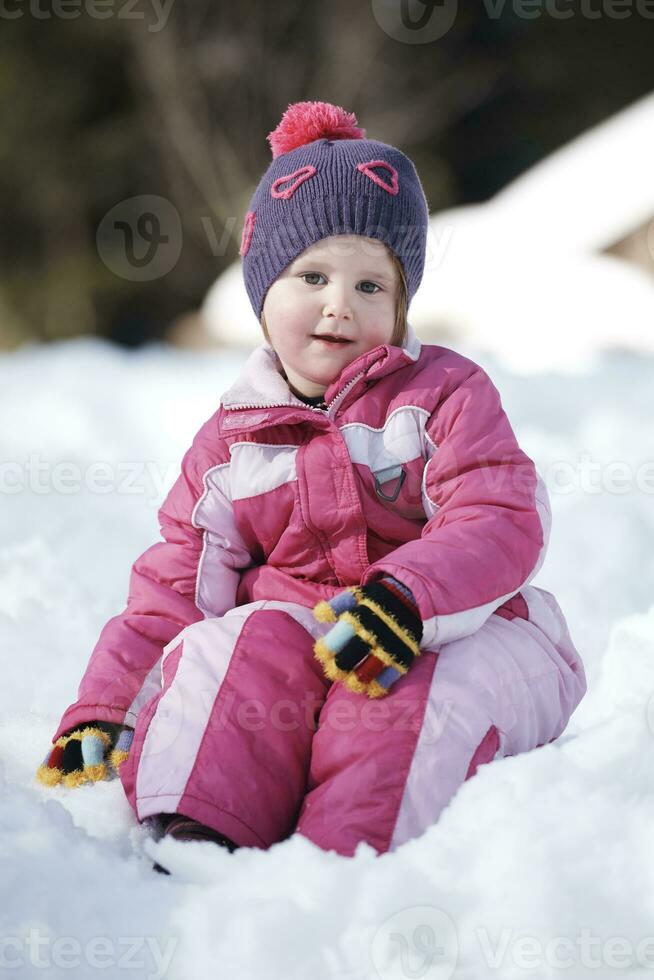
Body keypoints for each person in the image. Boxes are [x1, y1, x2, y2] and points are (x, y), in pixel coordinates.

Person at [37, 101, 586, 872]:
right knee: (232, 647)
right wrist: (104, 707)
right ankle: (197, 832)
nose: (340, 303)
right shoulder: (233, 442)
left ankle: (337, 867)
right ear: (264, 294)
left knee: (394, 699)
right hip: (307, 647)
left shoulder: (444, 397)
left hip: (464, 633)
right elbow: (173, 584)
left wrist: (406, 598)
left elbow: (498, 512)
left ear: (400, 308)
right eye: (314, 275)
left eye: (372, 285)